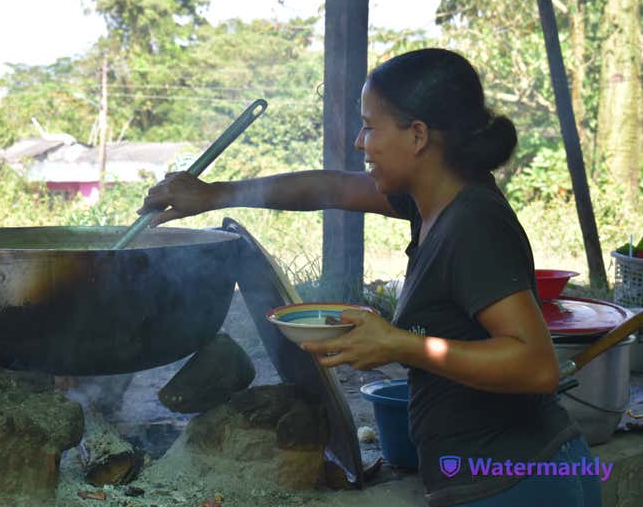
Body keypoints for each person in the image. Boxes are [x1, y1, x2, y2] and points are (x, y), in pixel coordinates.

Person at [137, 48, 600, 507]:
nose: (361, 141)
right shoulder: (431, 200)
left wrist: (400, 344)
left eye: (370, 126)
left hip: (518, 483)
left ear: (417, 135)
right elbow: (331, 187)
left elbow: (536, 366)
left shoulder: (473, 224)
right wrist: (215, 194)